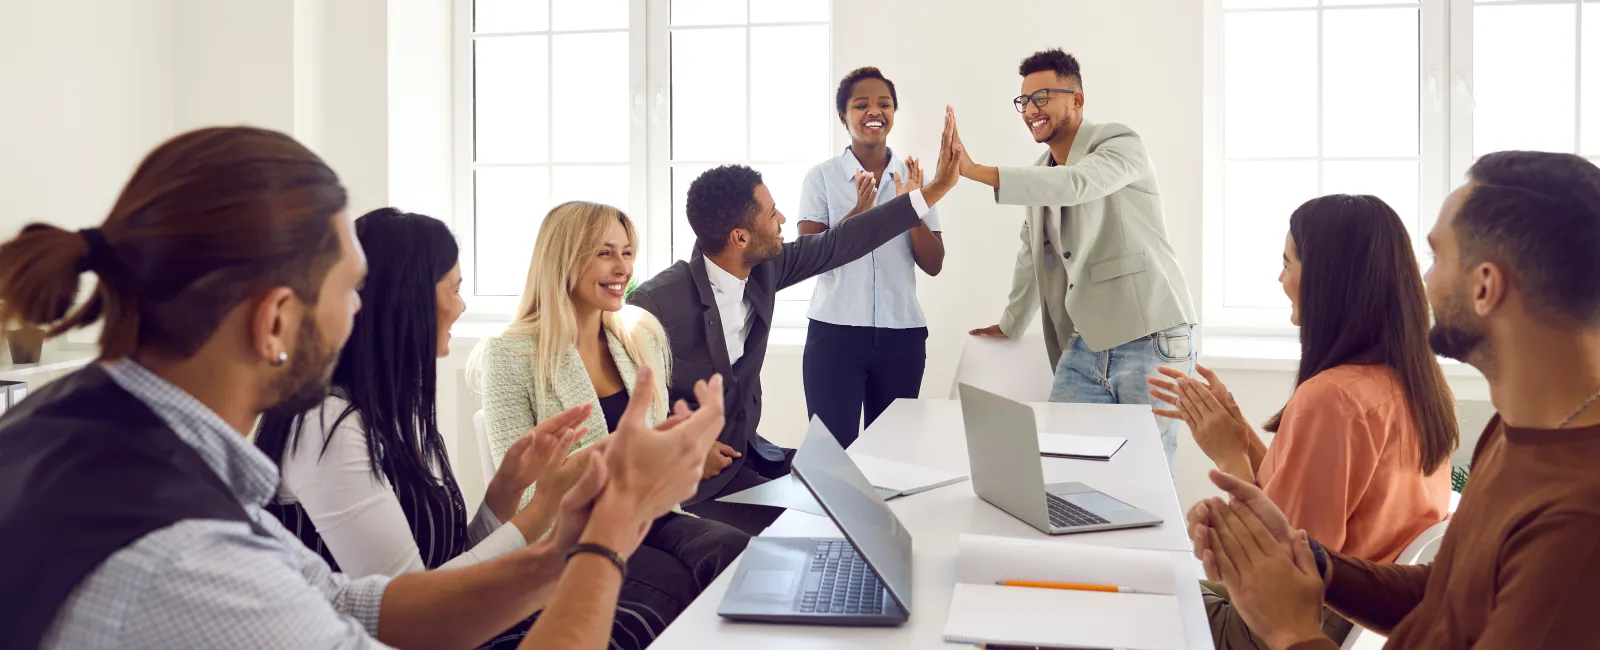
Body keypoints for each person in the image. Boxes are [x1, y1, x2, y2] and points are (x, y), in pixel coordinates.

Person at [0, 126, 727, 649]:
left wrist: (559, 543)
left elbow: (353, 602)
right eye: (352, 290)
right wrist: (607, 537)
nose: (363, 310)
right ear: (276, 319)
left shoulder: (87, 433)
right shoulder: (189, 564)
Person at [1189, 151, 1600, 650]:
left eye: (1436, 259)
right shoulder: (1513, 431)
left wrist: (1291, 631)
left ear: (1486, 286)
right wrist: (1313, 559)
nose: (1421, 282)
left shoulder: (1578, 520)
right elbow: (1439, 591)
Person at [256, 208, 700, 649]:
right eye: (455, 288)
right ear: (409, 302)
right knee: (634, 617)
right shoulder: (326, 428)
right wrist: (542, 511)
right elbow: (411, 609)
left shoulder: (398, 413)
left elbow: (452, 561)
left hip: (446, 625)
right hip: (413, 637)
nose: (462, 305)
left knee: (657, 603)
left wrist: (503, 492)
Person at [627, 110, 964, 535]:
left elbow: (840, 243)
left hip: (750, 456)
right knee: (829, 526)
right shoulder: (657, 303)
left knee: (862, 489)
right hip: (695, 483)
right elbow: (624, 406)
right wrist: (684, 447)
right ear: (740, 237)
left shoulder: (765, 269)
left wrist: (932, 191)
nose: (783, 219)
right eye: (771, 213)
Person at [1146, 195, 1457, 648]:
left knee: (1125, 593)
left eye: (1288, 263)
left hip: (1288, 624)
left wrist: (1228, 455)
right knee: (1146, 579)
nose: (1280, 277)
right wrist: (1242, 435)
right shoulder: (1416, 385)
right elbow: (1316, 501)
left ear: (1328, 281)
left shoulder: (1331, 399)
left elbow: (1278, 559)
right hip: (1355, 615)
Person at [475, 201, 750, 603]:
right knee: (677, 586)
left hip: (648, 515)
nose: (623, 268)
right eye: (604, 253)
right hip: (572, 535)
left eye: (626, 253)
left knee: (737, 555)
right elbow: (523, 493)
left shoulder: (640, 336)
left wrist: (684, 446)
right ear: (563, 259)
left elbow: (649, 443)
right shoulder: (509, 355)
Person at [957, 49, 1198, 469]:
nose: (1031, 109)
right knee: (1068, 462)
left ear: (1078, 99)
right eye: (1025, 101)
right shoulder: (1040, 172)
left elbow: (1079, 183)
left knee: (1147, 472)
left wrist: (976, 170)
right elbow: (1031, 254)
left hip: (1151, 334)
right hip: (1084, 343)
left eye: (1043, 96)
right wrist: (1011, 321)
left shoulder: (1119, 142)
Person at [796, 66, 945, 447]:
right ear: (843, 116)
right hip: (835, 336)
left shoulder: (914, 180)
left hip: (902, 337)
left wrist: (911, 205)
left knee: (893, 454)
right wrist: (857, 214)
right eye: (860, 105)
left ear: (894, 113)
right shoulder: (822, 178)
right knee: (833, 454)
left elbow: (933, 263)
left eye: (884, 104)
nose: (873, 112)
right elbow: (811, 257)